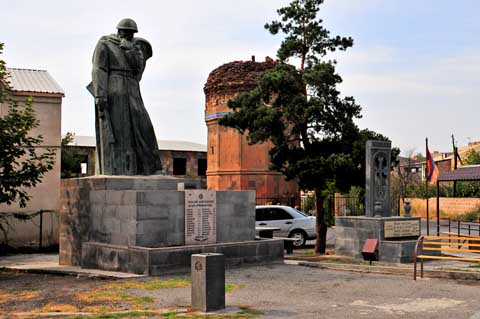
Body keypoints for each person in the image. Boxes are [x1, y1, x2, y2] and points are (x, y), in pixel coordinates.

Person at [89, 18, 162, 175]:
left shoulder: (135, 47)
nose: (129, 35)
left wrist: (130, 51)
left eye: (132, 33)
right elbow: (98, 69)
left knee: (144, 126)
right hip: (114, 87)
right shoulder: (105, 43)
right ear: (119, 31)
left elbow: (138, 69)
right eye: (126, 32)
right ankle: (118, 169)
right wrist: (100, 94)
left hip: (132, 88)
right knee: (119, 130)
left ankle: (151, 167)